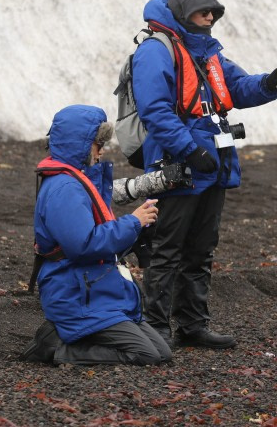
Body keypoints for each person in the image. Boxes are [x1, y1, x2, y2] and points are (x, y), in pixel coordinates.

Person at [132, 0, 277, 349]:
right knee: (166, 247)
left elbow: (236, 87)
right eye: (203, 11)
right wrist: (190, 151)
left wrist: (271, 83)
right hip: (179, 164)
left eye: (213, 12)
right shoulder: (157, 50)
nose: (209, 17)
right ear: (184, 11)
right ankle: (156, 327)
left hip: (212, 164)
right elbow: (155, 111)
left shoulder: (207, 51)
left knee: (202, 247)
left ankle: (192, 324)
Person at [20, 105, 170, 366]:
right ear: (79, 144)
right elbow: (83, 245)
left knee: (162, 353)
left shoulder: (75, 180)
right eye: (97, 144)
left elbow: (92, 243)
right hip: (75, 293)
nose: (101, 150)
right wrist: (133, 223)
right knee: (146, 355)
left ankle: (70, 337)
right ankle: (54, 347)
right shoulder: (64, 188)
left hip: (94, 288)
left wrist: (136, 230)